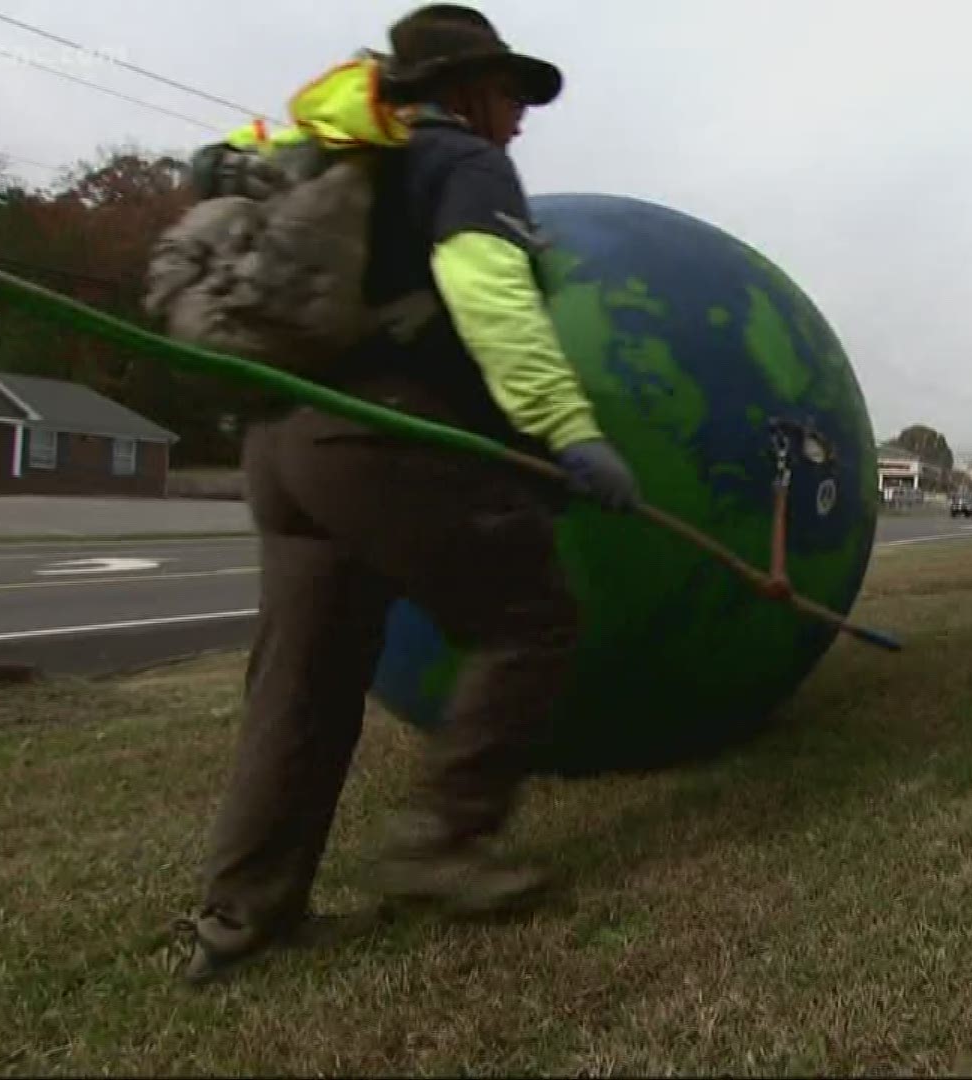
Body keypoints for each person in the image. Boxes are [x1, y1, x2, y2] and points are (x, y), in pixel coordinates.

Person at [168, 4, 639, 984]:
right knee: (529, 616)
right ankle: (448, 841)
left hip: (283, 439)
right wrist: (570, 430)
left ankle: (241, 918)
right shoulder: (461, 163)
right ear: (468, 88)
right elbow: (493, 302)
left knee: (302, 680)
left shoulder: (346, 153)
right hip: (377, 433)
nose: (518, 117)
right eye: (511, 92)